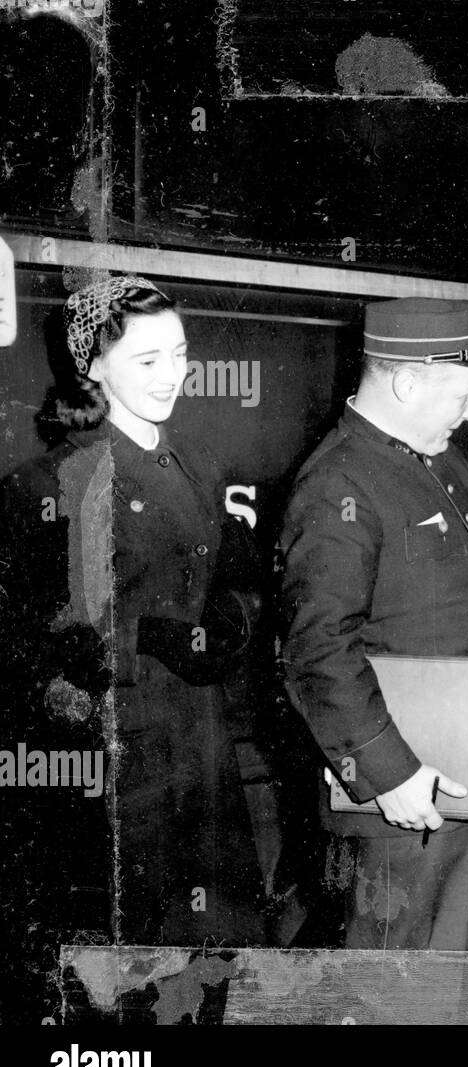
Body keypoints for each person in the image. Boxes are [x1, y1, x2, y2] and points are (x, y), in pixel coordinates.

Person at [0, 275, 267, 1016]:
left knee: (212, 959)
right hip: (124, 766)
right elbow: (39, 640)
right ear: (94, 368)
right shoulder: (53, 482)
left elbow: (222, 585)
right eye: (146, 359)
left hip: (204, 750)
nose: (172, 374)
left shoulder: (200, 468)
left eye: (179, 353)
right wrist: (149, 633)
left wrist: (232, 617)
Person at [279, 297, 468, 952]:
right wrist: (388, 772)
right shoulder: (337, 484)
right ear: (408, 383)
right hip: (402, 803)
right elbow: (316, 650)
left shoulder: (440, 462)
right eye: (464, 395)